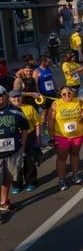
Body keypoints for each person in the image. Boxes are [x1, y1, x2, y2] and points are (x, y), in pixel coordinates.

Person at [48, 85, 83, 190]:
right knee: (62, 159)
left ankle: (75, 175)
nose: (67, 95)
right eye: (64, 94)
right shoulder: (56, 105)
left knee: (75, 155)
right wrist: (51, 138)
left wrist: (82, 119)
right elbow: (50, 123)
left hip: (77, 135)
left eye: (69, 93)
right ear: (61, 95)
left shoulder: (78, 102)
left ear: (72, 93)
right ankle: (61, 180)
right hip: (62, 136)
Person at [0, 85, 30, 214]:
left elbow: (25, 129)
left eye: (0, 96)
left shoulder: (16, 110)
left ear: (6, 96)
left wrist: (22, 146)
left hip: (12, 152)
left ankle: (4, 202)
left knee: (7, 178)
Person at [8, 90, 40, 193]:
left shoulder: (29, 108)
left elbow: (37, 123)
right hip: (14, 138)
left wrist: (38, 137)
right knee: (14, 162)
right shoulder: (8, 110)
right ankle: (17, 184)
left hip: (29, 136)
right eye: (14, 98)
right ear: (9, 99)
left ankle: (31, 182)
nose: (17, 99)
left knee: (29, 160)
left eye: (18, 97)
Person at [33, 55, 57, 127]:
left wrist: (57, 89)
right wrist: (39, 93)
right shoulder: (37, 71)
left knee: (53, 110)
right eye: (47, 61)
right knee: (45, 111)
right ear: (42, 62)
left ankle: (52, 124)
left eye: (49, 61)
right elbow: (36, 83)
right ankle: (43, 126)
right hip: (44, 94)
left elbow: (52, 79)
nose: (49, 63)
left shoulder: (49, 69)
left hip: (52, 92)